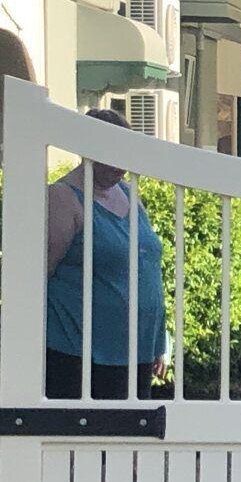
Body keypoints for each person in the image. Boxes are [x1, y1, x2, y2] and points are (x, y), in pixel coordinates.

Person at [43, 108, 167, 398]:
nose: (122, 163)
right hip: (81, 352)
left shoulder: (128, 193)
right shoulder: (63, 198)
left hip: (136, 350)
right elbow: (39, 272)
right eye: (114, 152)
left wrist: (159, 340)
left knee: (130, 438)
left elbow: (147, 266)